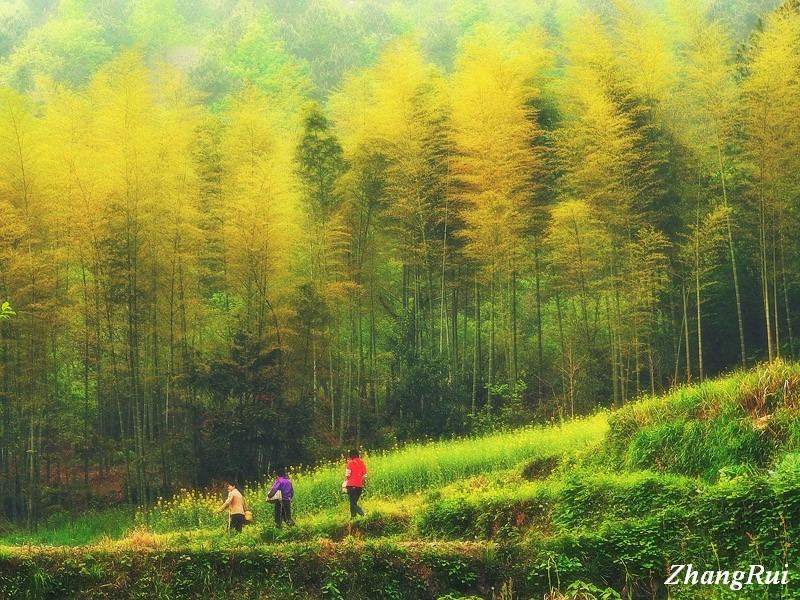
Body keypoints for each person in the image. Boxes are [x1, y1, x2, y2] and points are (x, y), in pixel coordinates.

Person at [345, 449, 367, 518]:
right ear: (358, 455)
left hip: (351, 486)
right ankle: (353, 518)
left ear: (351, 456)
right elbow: (365, 475)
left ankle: (363, 514)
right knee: (353, 503)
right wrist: (361, 481)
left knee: (353, 504)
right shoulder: (362, 463)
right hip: (359, 486)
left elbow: (347, 475)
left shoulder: (350, 463)